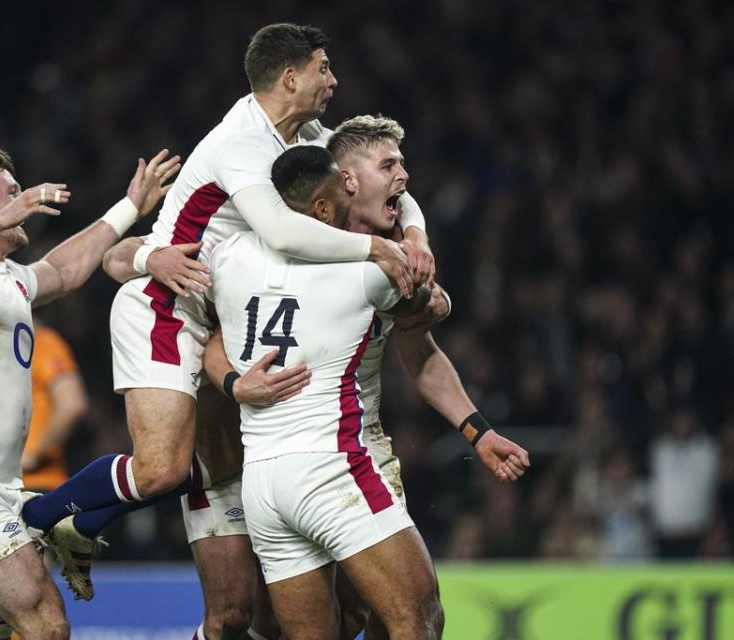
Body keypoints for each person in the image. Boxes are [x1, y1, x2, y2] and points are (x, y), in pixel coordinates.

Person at [22, 26, 435, 634]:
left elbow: (384, 182)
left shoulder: (309, 137)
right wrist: (380, 249)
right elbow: (283, 232)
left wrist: (415, 234)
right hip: (170, 307)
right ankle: (37, 518)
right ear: (289, 78)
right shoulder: (241, 142)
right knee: (162, 468)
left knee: (244, 610)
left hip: (223, 315)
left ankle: (81, 525)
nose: (334, 81)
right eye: (323, 68)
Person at [206, 144, 528, 639]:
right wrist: (422, 265)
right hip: (334, 468)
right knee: (419, 621)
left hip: (265, 483)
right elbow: (433, 306)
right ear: (323, 208)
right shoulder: (368, 271)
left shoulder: (230, 254)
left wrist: (232, 382)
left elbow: (212, 340)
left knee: (339, 626)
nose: (355, 192)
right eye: (345, 187)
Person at [0, 145, 178, 640]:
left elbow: (66, 270)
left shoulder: (11, 280)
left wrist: (130, 207)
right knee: (47, 624)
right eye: (9, 191)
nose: (23, 197)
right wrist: (5, 216)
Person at [21, 318, 89, 494]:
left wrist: (33, 455)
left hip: (37, 484)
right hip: (8, 485)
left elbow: (71, 404)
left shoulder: (42, 342)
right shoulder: (9, 348)